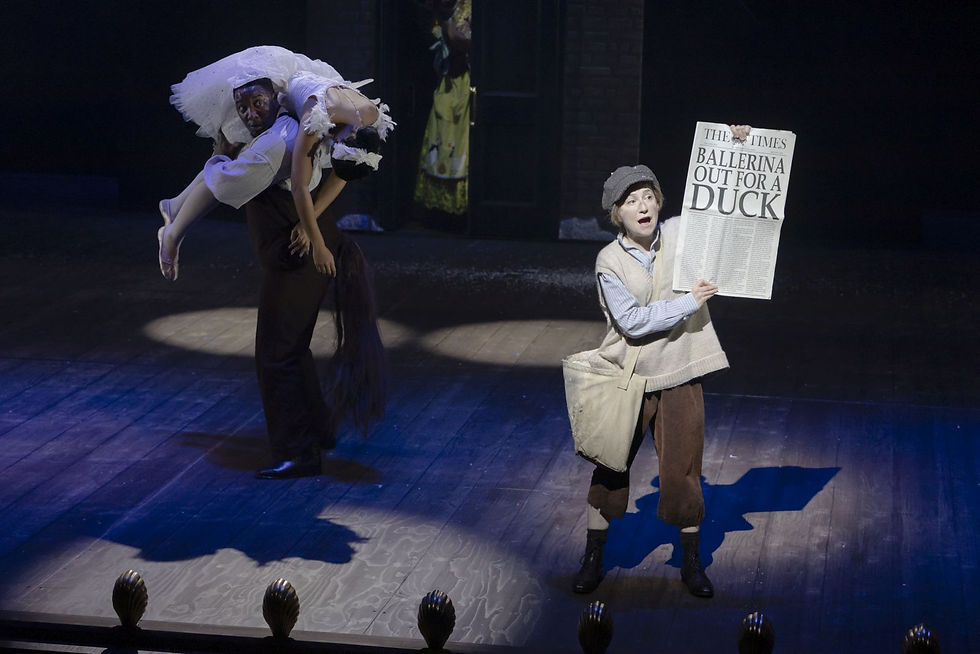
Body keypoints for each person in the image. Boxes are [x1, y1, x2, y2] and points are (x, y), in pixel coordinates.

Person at [163, 61, 387, 478]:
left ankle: (298, 452)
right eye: (243, 106)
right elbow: (326, 175)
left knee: (276, 354)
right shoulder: (322, 120)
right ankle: (317, 430)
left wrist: (312, 234)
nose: (248, 113)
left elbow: (231, 185)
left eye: (257, 103)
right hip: (303, 243)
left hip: (300, 258)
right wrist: (312, 226)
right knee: (290, 348)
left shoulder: (285, 140)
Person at [569, 126, 750, 597]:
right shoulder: (609, 260)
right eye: (632, 201)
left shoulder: (677, 237)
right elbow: (633, 322)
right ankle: (593, 556)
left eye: (649, 197)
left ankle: (691, 561)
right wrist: (690, 301)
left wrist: (734, 145)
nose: (644, 207)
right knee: (609, 471)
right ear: (617, 214)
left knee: (684, 472)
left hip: (679, 373)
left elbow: (719, 210)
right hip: (626, 378)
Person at [158, 45, 394, 281]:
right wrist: (318, 244)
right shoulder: (316, 115)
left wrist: (305, 225)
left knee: (271, 161)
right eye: (336, 146)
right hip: (286, 97)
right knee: (255, 166)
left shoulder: (369, 117)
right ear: (347, 136)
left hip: (305, 89)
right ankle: (173, 232)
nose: (332, 146)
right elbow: (300, 187)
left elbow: (341, 175)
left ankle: (175, 205)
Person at [413, 0, 471, 224]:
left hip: (465, 85)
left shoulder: (467, 7)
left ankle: (461, 211)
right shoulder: (439, 11)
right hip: (447, 83)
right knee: (442, 138)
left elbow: (462, 38)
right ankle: (439, 213)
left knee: (460, 142)